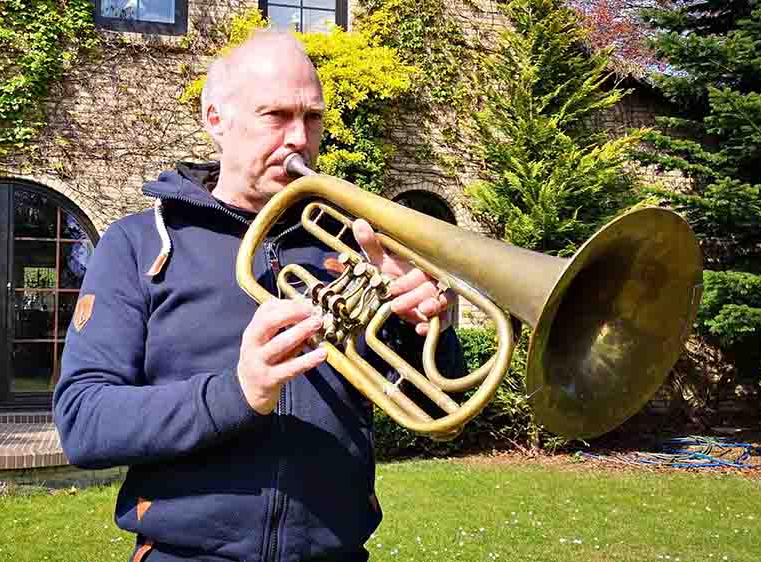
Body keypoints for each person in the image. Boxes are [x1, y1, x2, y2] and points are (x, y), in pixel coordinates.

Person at [53, 31, 466, 562]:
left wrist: (425, 327)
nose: (299, 138)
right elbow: (85, 422)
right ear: (215, 119)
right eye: (276, 115)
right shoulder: (138, 244)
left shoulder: (351, 243)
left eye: (312, 117)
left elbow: (441, 417)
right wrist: (238, 393)